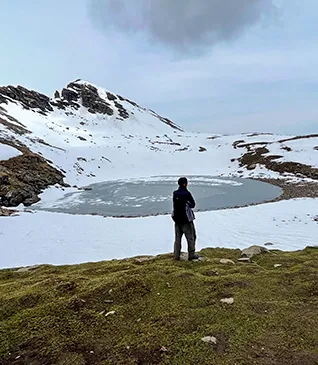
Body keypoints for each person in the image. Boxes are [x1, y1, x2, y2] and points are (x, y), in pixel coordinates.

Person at [172, 177, 200, 261]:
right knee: (191, 237)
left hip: (177, 219)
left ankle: (176, 256)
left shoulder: (175, 193)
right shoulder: (187, 194)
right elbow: (193, 205)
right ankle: (191, 255)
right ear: (185, 184)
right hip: (186, 220)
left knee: (177, 238)